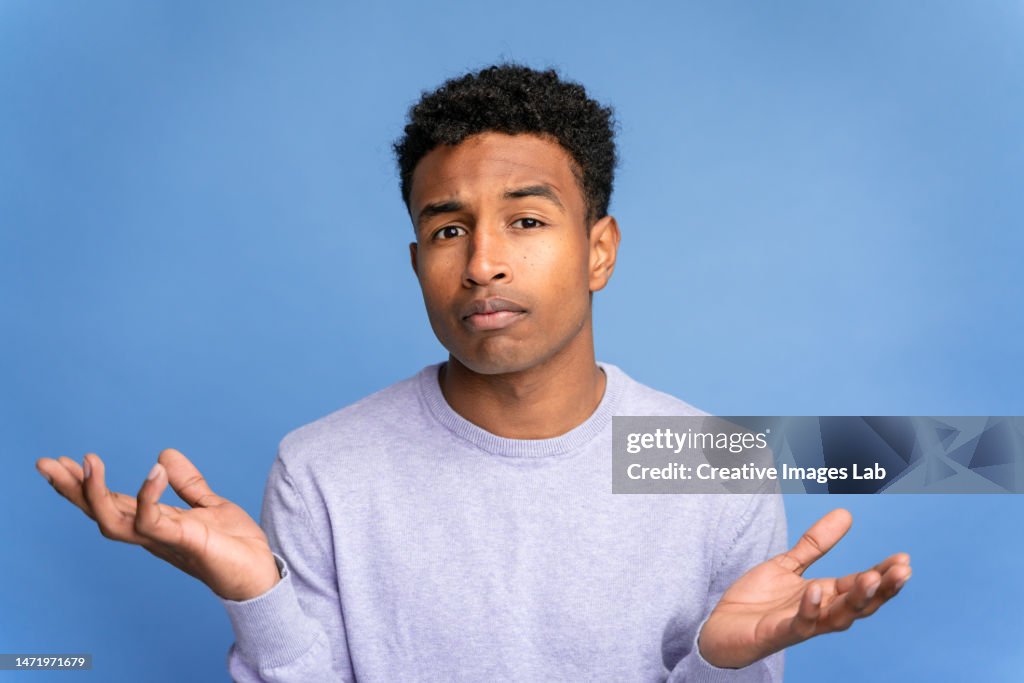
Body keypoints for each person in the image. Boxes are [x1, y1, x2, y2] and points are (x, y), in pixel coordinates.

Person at [36, 64, 912, 682]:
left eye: (528, 221)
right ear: (417, 257)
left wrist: (721, 665)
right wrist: (257, 593)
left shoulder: (713, 467)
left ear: (598, 250)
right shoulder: (322, 468)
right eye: (450, 229)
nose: (483, 262)